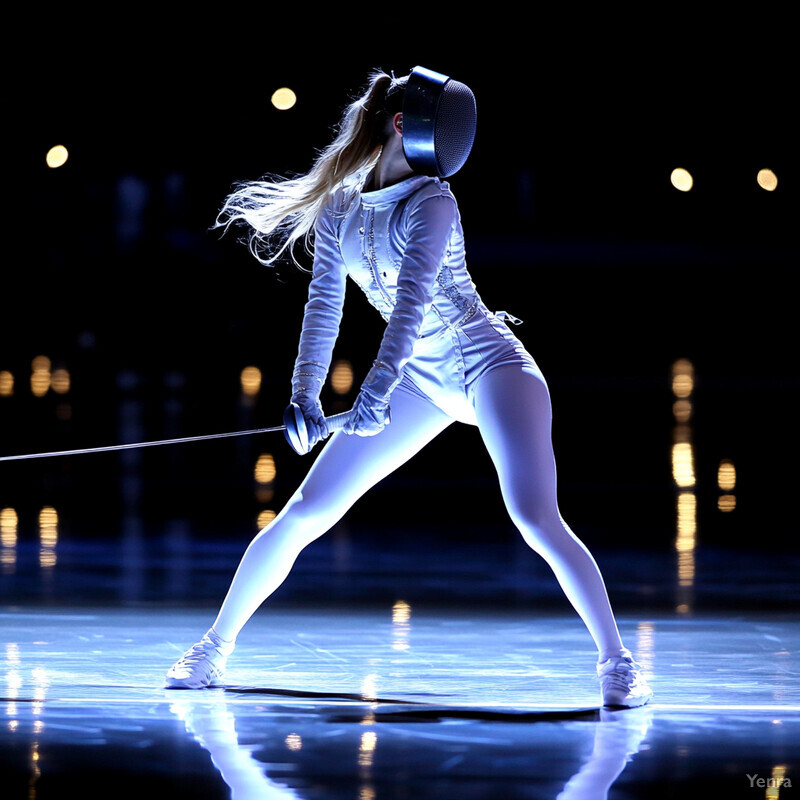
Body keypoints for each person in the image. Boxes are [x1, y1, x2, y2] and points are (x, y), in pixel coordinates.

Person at [165, 67, 652, 708]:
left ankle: (619, 664)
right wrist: (305, 395)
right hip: (420, 384)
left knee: (536, 518)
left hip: (490, 368)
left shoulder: (434, 203)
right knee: (305, 512)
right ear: (405, 127)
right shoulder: (341, 205)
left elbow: (411, 307)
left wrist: (372, 395)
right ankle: (212, 649)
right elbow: (324, 306)